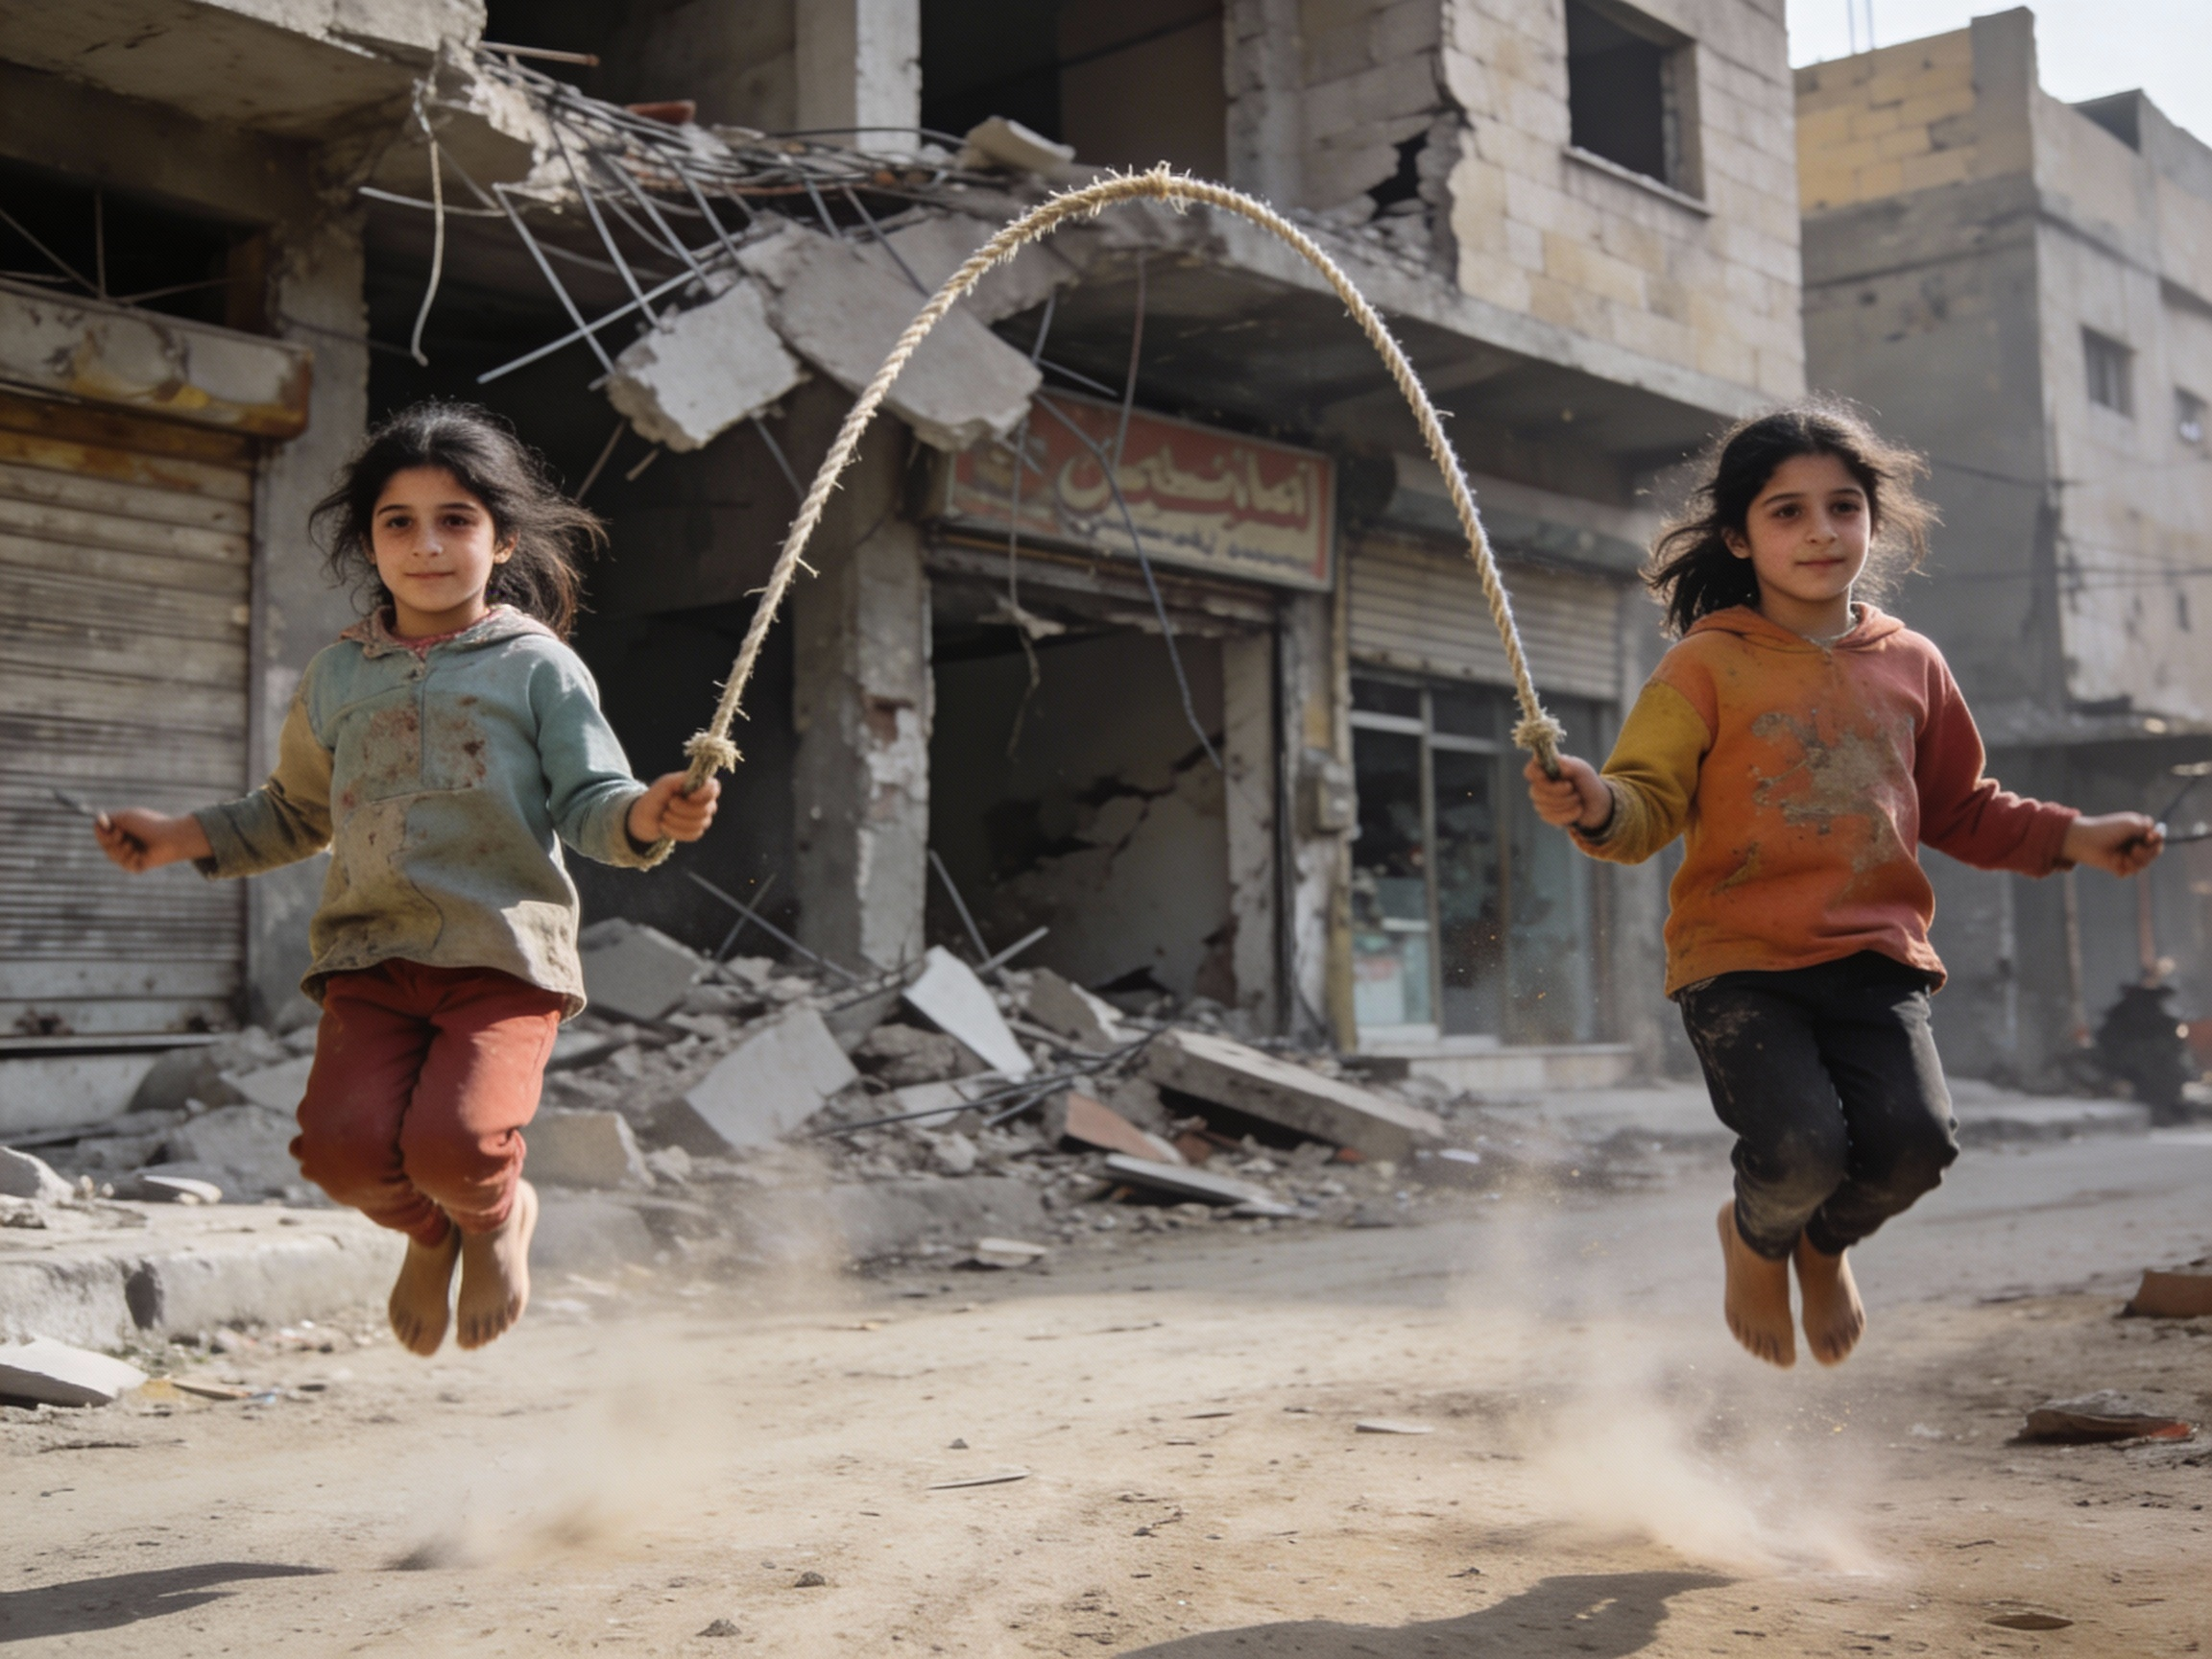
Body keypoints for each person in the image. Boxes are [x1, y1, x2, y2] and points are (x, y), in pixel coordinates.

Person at [1524, 403, 2161, 1369]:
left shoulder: (1914, 663)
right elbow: (1645, 803)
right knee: (1802, 1147)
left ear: (1873, 518)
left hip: (1876, 960)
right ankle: (1755, 1238)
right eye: (1787, 513)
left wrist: (2077, 836)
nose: (1822, 531)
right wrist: (1593, 802)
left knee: (1915, 1147)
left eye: (1844, 506)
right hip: (1739, 964)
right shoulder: (1704, 665)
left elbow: (1962, 809)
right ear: (1739, 536)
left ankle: (1823, 1246)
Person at [92, 402, 719, 1356]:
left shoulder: (538, 669)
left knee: (456, 1147)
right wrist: (181, 835)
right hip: (369, 955)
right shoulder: (339, 677)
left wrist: (649, 813)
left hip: (502, 957)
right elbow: (298, 812)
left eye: (456, 520)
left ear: (502, 538)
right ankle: (429, 1236)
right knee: (342, 1156)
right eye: (399, 522)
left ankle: (496, 1216)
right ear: (369, 541)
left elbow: (594, 801)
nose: (427, 544)